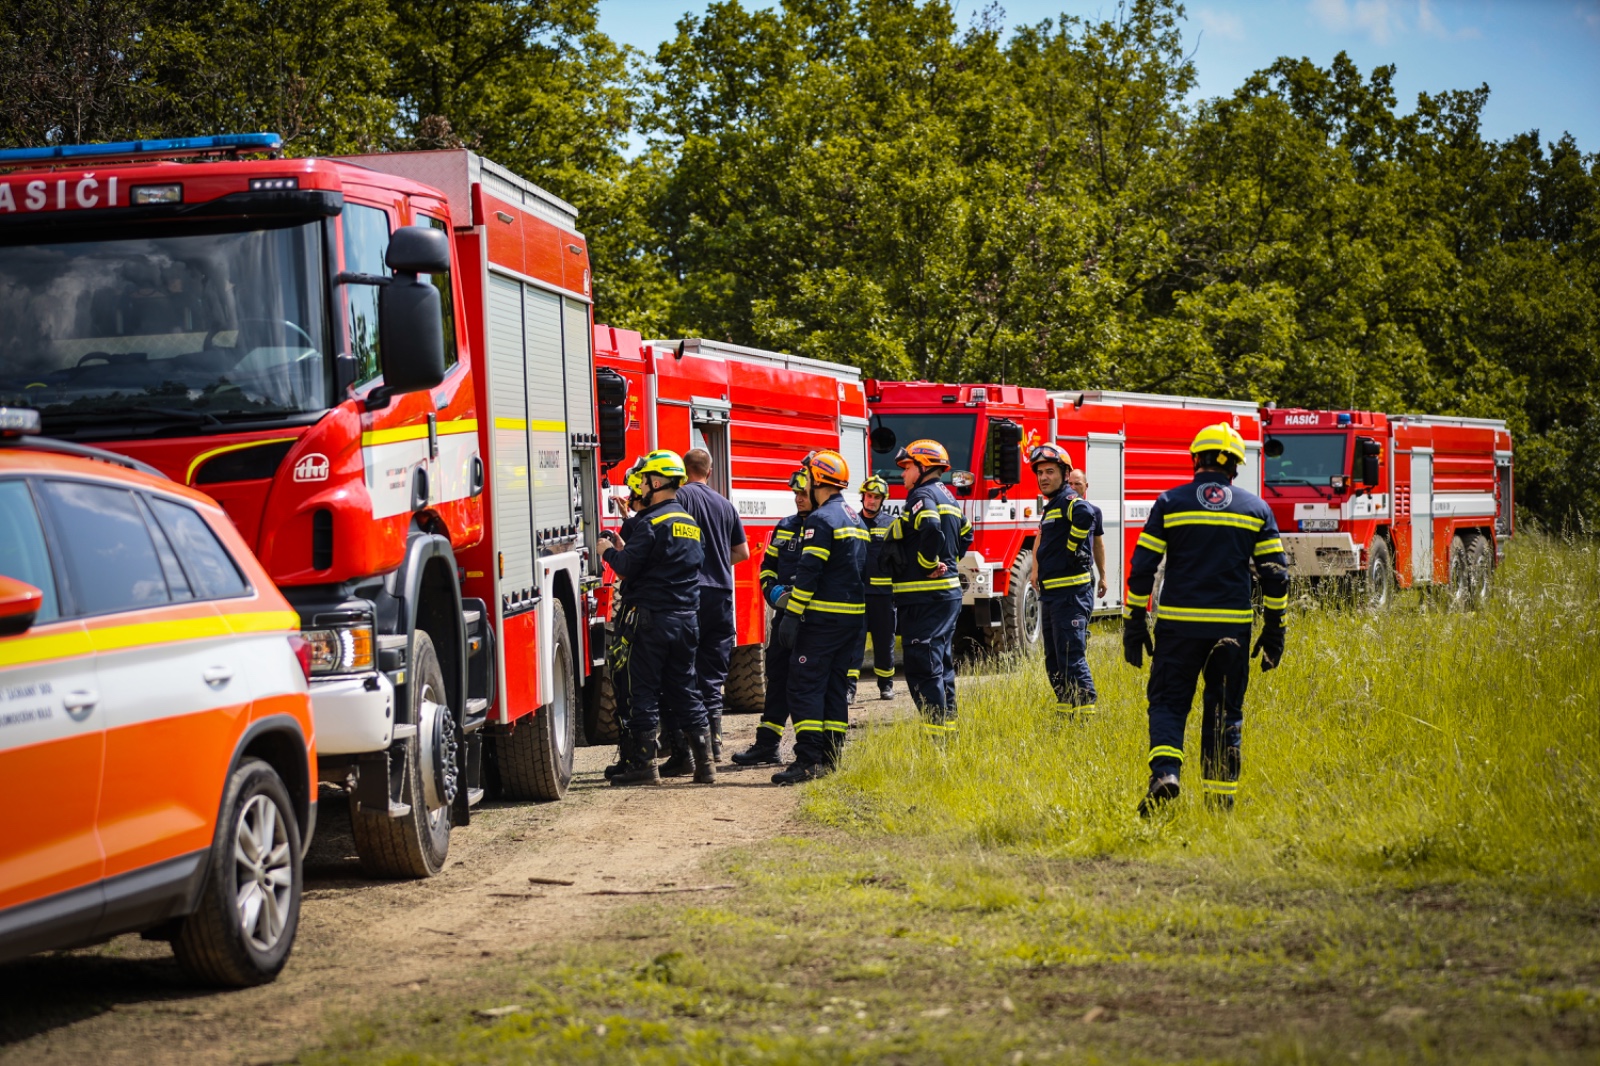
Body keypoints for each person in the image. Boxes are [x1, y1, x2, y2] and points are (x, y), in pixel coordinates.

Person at [1123, 423, 1289, 815]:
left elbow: (1143, 566)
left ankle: (1165, 774)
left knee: (1168, 702)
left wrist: (1134, 619)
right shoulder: (1255, 509)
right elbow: (1276, 574)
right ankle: (1220, 803)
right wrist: (1274, 626)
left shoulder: (1170, 502)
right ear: (1235, 465)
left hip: (1178, 627)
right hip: (1232, 629)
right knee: (1223, 709)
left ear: (1195, 459)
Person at [600, 450, 716, 787]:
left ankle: (643, 765)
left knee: (643, 692)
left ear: (655, 482)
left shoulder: (651, 523)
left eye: (643, 481)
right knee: (685, 689)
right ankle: (704, 765)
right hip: (686, 621)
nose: (641, 487)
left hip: (651, 622)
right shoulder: (690, 523)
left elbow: (626, 568)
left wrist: (605, 550)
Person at [771, 450, 868, 783]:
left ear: (819, 481)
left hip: (821, 623)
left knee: (805, 688)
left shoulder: (820, 520)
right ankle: (831, 758)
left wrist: (791, 614)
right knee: (834, 690)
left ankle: (809, 760)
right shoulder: (854, 517)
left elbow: (810, 571)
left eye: (808, 478)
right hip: (851, 623)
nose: (805, 484)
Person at [670, 447, 749, 764]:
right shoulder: (725, 504)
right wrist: (716, 563)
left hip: (690, 594)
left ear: (683, 469)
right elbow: (741, 553)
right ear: (710, 471)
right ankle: (716, 743)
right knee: (713, 673)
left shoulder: (680, 498)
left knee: (685, 669)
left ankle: (692, 746)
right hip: (721, 594)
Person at [890, 439, 973, 739]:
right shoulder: (949, 497)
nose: (903, 474)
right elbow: (966, 534)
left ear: (924, 467)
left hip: (925, 597)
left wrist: (928, 563)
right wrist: (948, 561)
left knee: (923, 667)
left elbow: (930, 529)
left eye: (907, 467)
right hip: (946, 595)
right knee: (941, 665)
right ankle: (947, 731)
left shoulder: (921, 495)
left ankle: (935, 738)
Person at [731, 468, 812, 767]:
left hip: (813, 621)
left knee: (806, 685)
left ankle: (810, 752)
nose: (798, 499)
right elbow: (767, 565)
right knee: (777, 678)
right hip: (784, 618)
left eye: (803, 494)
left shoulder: (824, 525)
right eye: (796, 494)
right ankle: (767, 745)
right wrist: (772, 592)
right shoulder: (786, 526)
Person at [1028, 445, 1099, 718]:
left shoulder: (1070, 501)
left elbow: (1086, 514)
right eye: (1040, 473)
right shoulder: (1052, 506)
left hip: (1071, 595)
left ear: (1065, 474)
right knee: (1054, 661)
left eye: (1050, 472)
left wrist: (1071, 548)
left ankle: (1085, 718)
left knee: (1071, 657)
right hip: (1052, 596)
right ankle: (1065, 713)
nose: (1044, 477)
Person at [602, 468, 649, 782]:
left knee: (628, 685)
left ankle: (637, 761)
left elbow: (627, 569)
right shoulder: (671, 520)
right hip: (669, 618)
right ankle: (695, 759)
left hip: (638, 617)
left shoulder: (641, 525)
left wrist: (607, 551)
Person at [854, 475, 897, 701]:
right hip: (857, 595)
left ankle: (886, 686)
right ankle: (849, 688)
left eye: (876, 497)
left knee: (884, 643)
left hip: (883, 597)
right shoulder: (852, 522)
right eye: (869, 496)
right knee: (853, 643)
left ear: (883, 500)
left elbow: (900, 561)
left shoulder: (891, 524)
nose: (871, 501)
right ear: (863, 497)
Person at [1067, 468, 1109, 602]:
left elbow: (1098, 546)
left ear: (1086, 486)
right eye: (1069, 484)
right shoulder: (1057, 512)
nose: (1073, 488)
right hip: (1062, 576)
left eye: (1077, 484)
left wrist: (1103, 577)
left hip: (1085, 575)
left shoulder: (1094, 512)